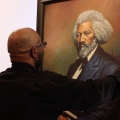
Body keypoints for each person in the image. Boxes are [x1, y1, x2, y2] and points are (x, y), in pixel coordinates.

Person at [0, 27, 120, 120]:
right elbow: (91, 92)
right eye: (42, 45)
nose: (80, 39)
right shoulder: (45, 84)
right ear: (34, 51)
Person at [67, 10, 120, 81]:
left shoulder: (110, 68)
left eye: (87, 33)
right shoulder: (73, 67)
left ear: (97, 34)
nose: (81, 39)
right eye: (78, 34)